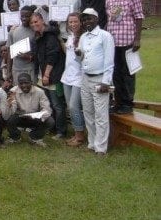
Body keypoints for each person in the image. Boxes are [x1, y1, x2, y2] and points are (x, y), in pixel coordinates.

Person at [104, 0, 144, 114]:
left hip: (128, 41)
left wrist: (137, 39)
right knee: (115, 73)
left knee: (127, 73)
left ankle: (127, 104)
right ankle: (118, 102)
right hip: (112, 43)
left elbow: (139, 17)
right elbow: (110, 19)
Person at [78, 8, 115, 155]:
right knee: (88, 112)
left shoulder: (105, 36)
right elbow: (81, 58)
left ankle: (101, 148)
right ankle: (92, 143)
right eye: (84, 19)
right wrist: (78, 53)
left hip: (100, 79)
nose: (87, 21)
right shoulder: (83, 37)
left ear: (96, 19)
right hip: (86, 78)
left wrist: (106, 82)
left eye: (89, 19)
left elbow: (109, 61)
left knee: (100, 115)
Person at [30, 12, 67, 139]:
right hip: (42, 76)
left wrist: (46, 75)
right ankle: (53, 128)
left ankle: (61, 131)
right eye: (32, 22)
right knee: (49, 104)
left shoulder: (50, 35)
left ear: (42, 21)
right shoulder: (38, 36)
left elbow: (53, 56)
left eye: (36, 21)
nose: (34, 24)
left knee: (57, 105)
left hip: (53, 75)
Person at [4, 73, 54, 147]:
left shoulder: (40, 92)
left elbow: (47, 109)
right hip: (20, 117)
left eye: (26, 83)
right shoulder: (13, 91)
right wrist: (10, 104)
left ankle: (35, 137)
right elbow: (12, 111)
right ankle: (15, 137)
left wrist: (38, 116)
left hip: (35, 118)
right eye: (21, 83)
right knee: (9, 118)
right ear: (18, 84)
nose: (24, 85)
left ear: (31, 82)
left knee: (50, 121)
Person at [61, 12, 86, 147]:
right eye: (70, 22)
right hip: (67, 76)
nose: (73, 24)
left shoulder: (84, 38)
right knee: (70, 108)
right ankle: (77, 133)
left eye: (75, 21)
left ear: (81, 22)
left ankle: (80, 136)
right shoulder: (70, 37)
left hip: (79, 77)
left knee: (74, 106)